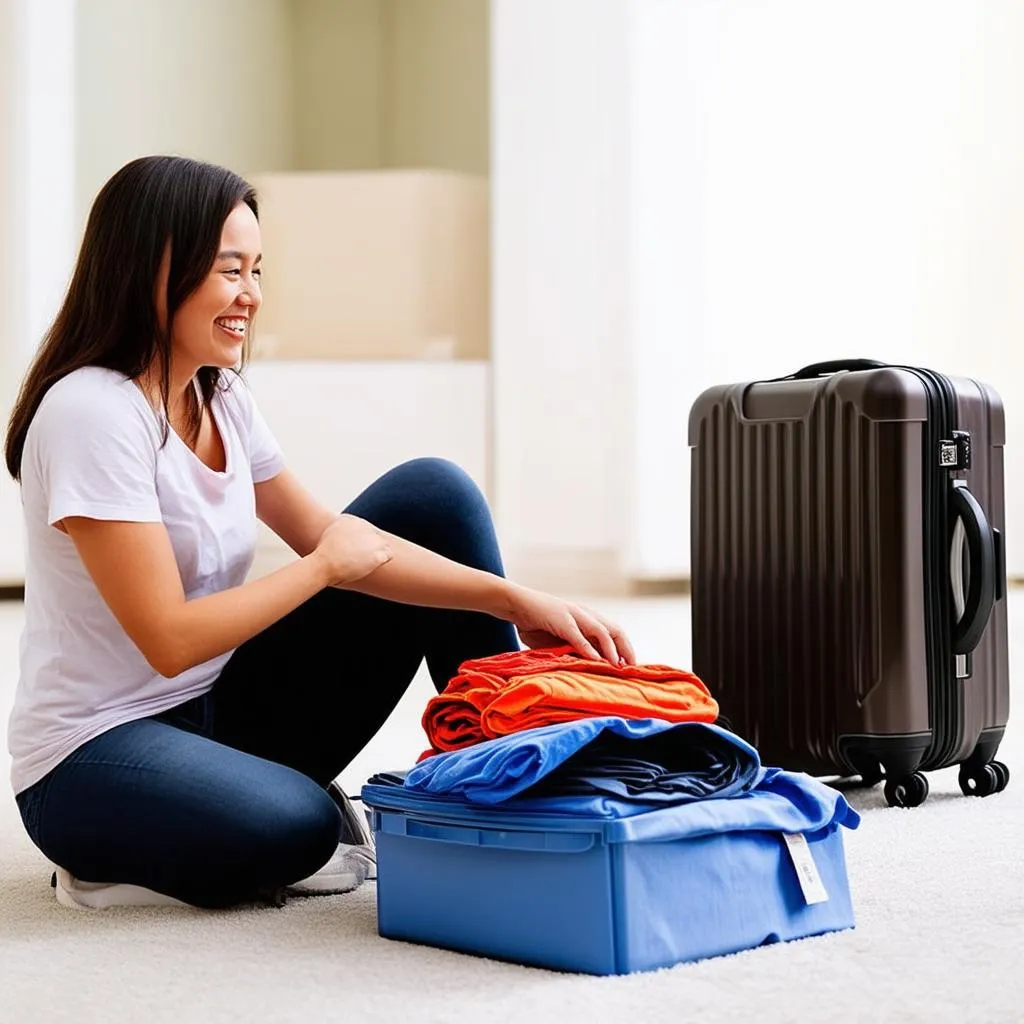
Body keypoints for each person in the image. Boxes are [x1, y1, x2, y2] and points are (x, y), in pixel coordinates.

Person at [3, 155, 636, 911]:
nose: (251, 296)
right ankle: (125, 854)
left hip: (218, 709)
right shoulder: (91, 413)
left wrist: (516, 598)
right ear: (151, 269)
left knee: (433, 494)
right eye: (229, 269)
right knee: (297, 825)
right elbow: (167, 637)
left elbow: (340, 540)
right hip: (91, 756)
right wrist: (320, 570)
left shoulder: (220, 395)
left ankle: (519, 787)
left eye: (258, 270)